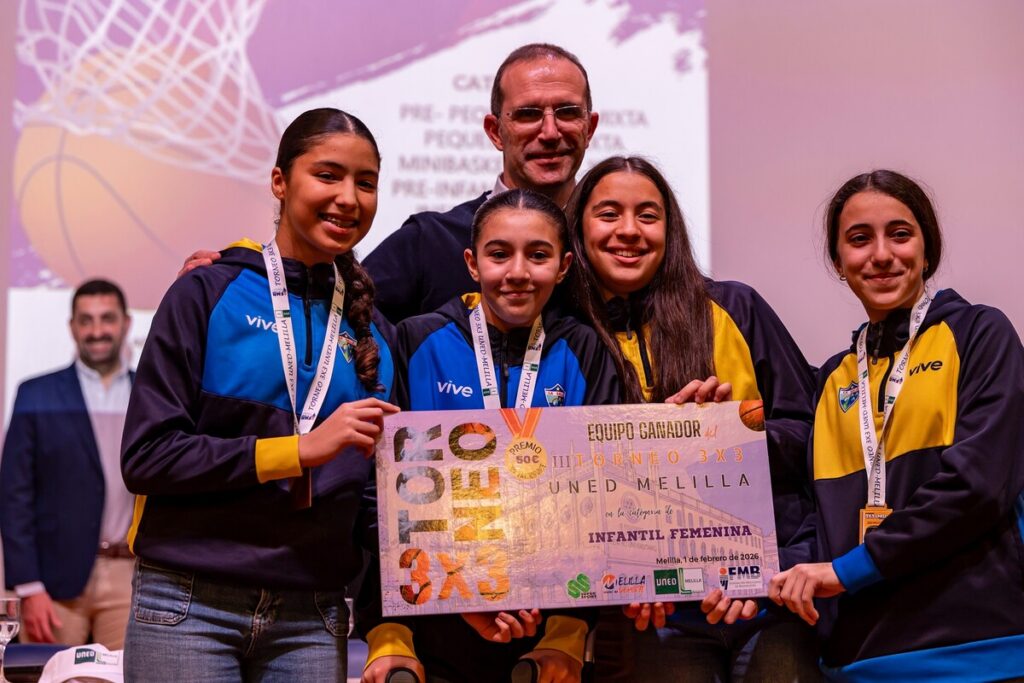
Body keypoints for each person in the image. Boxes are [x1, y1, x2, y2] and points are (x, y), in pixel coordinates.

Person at [119, 108, 398, 681]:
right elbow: (148, 456)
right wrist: (297, 451)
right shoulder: (206, 292)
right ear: (279, 182)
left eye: (365, 183)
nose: (348, 197)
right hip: (190, 601)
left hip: (313, 612)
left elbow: (378, 504)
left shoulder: (376, 336)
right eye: (328, 175)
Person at [563, 156, 821, 681]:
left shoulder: (733, 307)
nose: (629, 231)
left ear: (670, 228)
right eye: (609, 214)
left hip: (766, 595)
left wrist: (729, 436)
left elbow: (814, 436)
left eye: (648, 215)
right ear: (579, 229)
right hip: (650, 614)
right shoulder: (567, 336)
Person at [769, 170, 1024, 681]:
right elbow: (819, 522)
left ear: (927, 250)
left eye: (900, 234)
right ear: (839, 263)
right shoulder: (832, 379)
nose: (881, 254)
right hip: (858, 660)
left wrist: (848, 571)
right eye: (859, 240)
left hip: (978, 652)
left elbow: (976, 488)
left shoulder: (979, 335)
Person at [359, 189, 620, 683]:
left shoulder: (584, 349)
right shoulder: (417, 339)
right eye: (499, 253)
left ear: (563, 267)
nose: (517, 271)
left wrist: (565, 628)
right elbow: (379, 490)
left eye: (538, 255)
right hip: (428, 622)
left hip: (546, 621)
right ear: (472, 263)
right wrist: (454, 588)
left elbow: (604, 490)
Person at [361, 42, 599, 323]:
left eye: (568, 112)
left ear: (589, 128)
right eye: (528, 114)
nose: (549, 132)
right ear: (495, 132)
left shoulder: (612, 247)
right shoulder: (430, 241)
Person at [1, 279, 135, 650]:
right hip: (56, 583)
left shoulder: (151, 395)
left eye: (106, 319)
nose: (97, 331)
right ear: (72, 327)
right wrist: (29, 588)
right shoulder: (35, 393)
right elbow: (14, 496)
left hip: (134, 576)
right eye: (86, 320)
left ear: (125, 323)